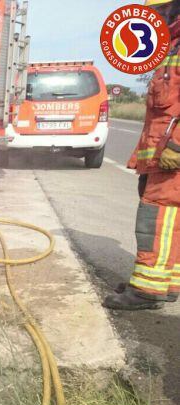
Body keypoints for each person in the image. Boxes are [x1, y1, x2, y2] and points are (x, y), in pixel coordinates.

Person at [104, 0, 180, 310]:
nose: (155, 19)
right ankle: (165, 284)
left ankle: (147, 291)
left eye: (159, 13)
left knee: (156, 218)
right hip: (161, 156)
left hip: (171, 156)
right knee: (171, 220)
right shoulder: (172, 48)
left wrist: (176, 145)